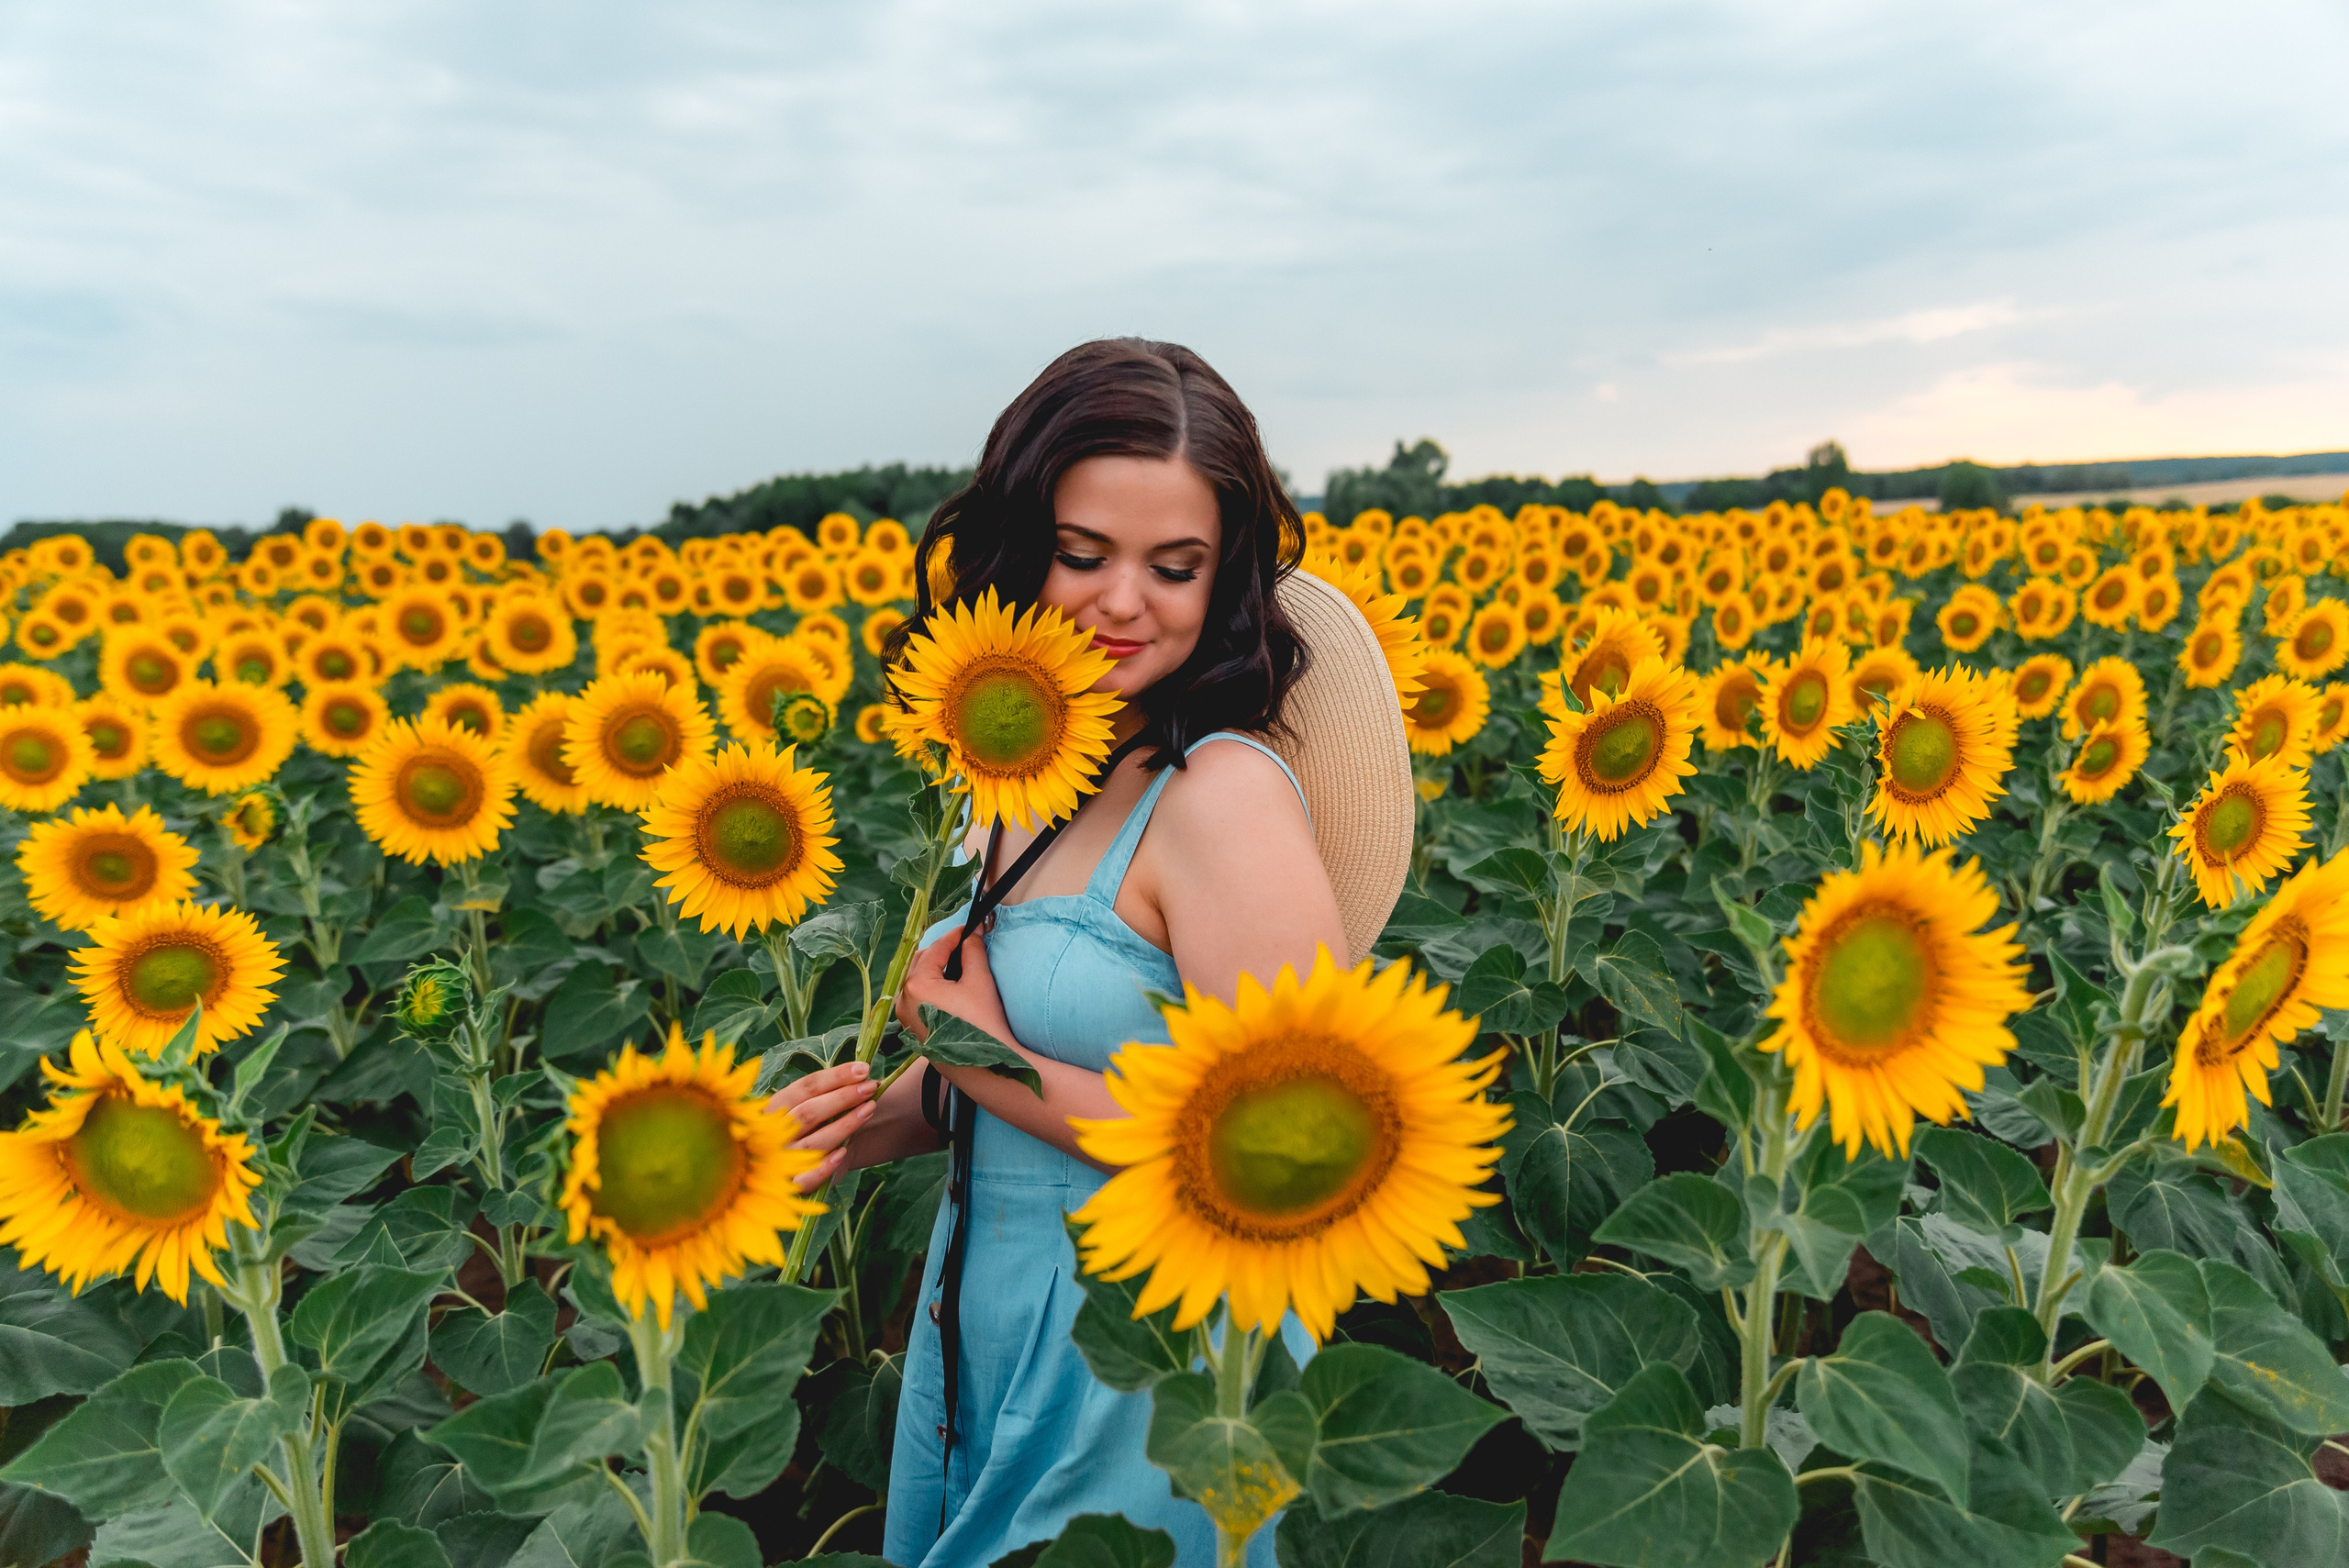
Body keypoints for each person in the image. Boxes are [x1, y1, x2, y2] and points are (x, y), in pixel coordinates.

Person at [771, 338, 1412, 1568]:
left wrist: (984, 1051)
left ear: (1224, 580)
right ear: (1022, 548)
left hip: (1150, 1362)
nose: (1123, 600)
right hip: (989, 1322)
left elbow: (1291, 1157)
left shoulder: (1220, 799)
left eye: (1174, 567)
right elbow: (1034, 1059)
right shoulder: (1027, 769)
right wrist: (872, 1121)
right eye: (1085, 555)